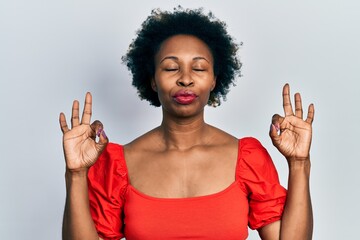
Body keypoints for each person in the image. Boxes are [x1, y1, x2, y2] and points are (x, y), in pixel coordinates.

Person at [59, 7, 314, 240]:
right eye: (171, 68)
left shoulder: (248, 158)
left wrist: (300, 163)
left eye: (199, 68)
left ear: (215, 79)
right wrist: (76, 174)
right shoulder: (117, 165)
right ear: (153, 80)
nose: (185, 79)